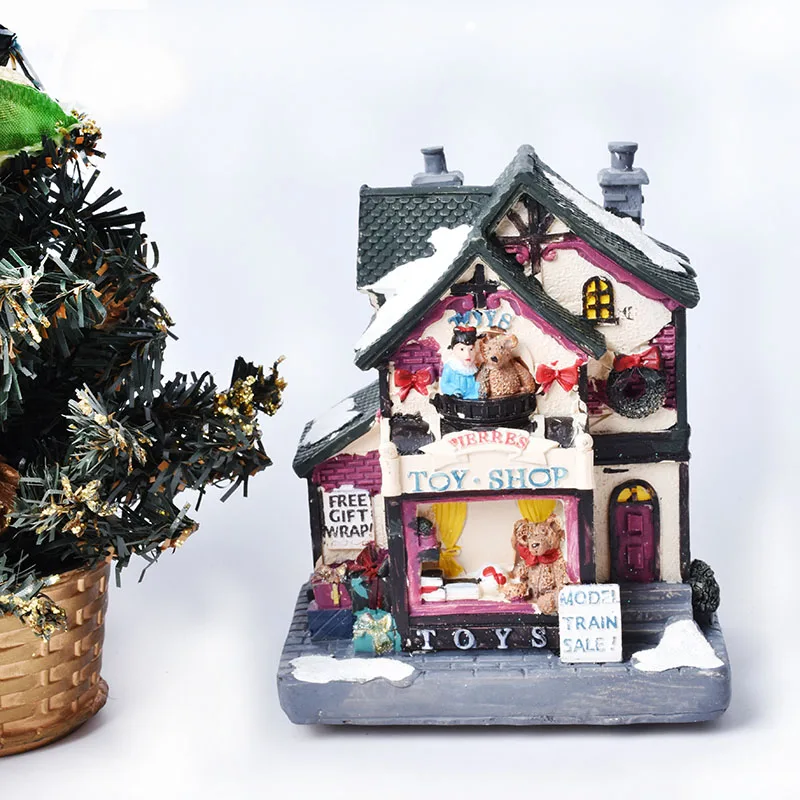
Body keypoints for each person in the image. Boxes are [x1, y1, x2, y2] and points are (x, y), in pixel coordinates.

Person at [440, 326, 480, 399]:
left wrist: (480, 389)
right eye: (462, 349)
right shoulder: (451, 367)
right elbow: (444, 384)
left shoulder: (474, 369)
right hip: (458, 399)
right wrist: (454, 391)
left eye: (471, 349)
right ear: (454, 350)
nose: (468, 354)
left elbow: (477, 382)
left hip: (474, 397)